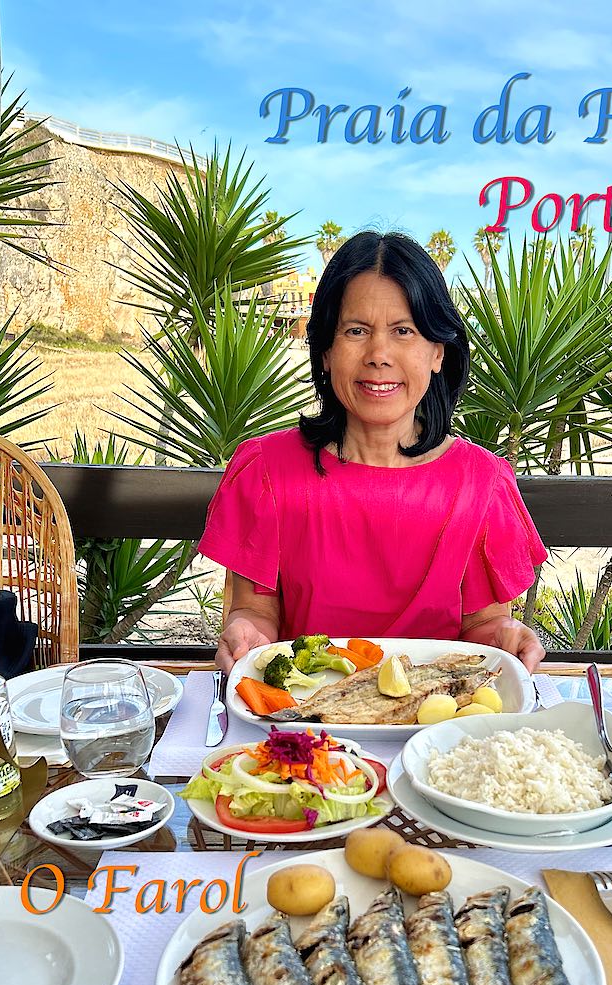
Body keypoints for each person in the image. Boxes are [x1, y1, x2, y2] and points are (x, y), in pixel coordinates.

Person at [199, 231, 548, 674]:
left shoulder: (482, 483)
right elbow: (256, 614)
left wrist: (504, 638)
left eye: (404, 331)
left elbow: (482, 623)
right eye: (356, 331)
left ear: (437, 351)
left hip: (438, 729)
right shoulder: (267, 471)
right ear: (325, 350)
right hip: (302, 725)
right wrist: (246, 631)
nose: (378, 354)